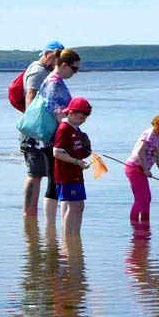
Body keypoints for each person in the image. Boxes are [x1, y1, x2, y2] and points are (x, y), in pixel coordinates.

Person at [35, 49, 82, 220]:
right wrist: (70, 130)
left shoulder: (55, 81)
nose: (75, 73)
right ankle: (51, 227)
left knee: (56, 181)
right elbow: (57, 111)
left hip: (55, 137)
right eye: (74, 69)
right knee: (55, 182)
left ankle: (54, 227)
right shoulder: (54, 83)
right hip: (55, 138)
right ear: (63, 65)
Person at [19, 41, 64, 217]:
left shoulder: (44, 71)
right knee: (34, 173)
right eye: (56, 57)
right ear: (47, 54)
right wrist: (35, 131)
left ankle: (32, 217)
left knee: (40, 173)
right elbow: (30, 98)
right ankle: (29, 215)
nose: (57, 62)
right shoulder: (38, 72)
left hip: (40, 131)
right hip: (34, 132)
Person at [125, 110, 159, 231]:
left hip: (142, 170)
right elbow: (140, 153)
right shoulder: (150, 133)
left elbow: (158, 160)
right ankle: (135, 226)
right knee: (141, 198)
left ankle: (145, 224)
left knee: (147, 198)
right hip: (134, 168)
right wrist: (146, 169)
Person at [51, 96, 93, 238]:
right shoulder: (64, 128)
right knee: (73, 206)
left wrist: (83, 158)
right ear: (71, 113)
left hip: (76, 173)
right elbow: (56, 152)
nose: (83, 121)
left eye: (85, 119)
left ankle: (76, 237)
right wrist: (76, 162)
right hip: (66, 175)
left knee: (80, 207)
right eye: (81, 118)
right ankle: (68, 236)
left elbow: (78, 150)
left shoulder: (76, 129)